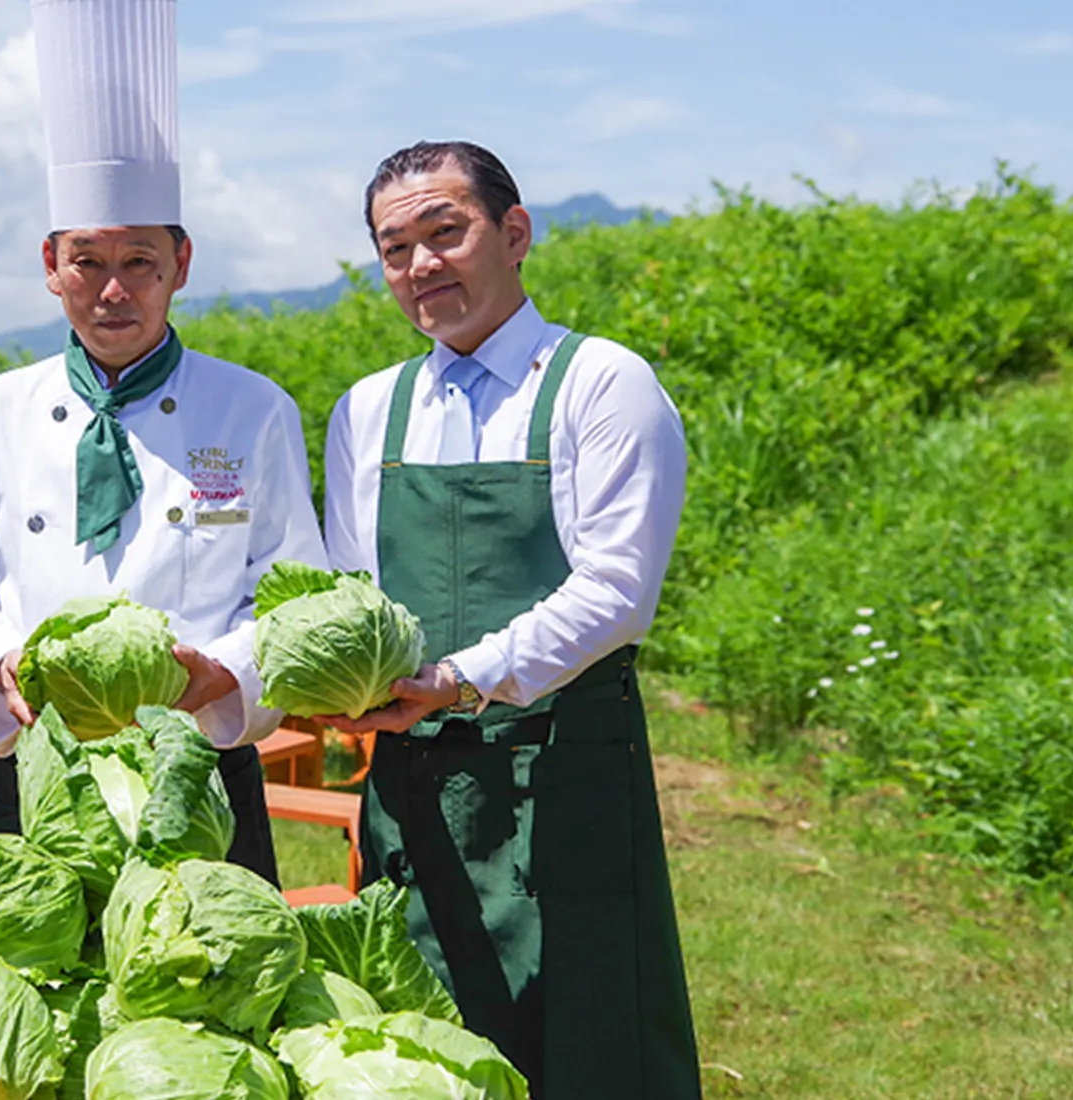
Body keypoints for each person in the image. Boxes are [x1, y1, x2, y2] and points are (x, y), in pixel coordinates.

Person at [304, 139, 701, 1096]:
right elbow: (352, 596)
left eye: (446, 233)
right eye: (395, 249)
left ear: (513, 233)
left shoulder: (601, 384)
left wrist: (461, 678)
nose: (420, 267)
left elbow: (615, 591)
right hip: (411, 779)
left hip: (562, 769)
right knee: (423, 1041)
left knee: (588, 1033)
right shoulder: (369, 411)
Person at [0, 0, 327, 883]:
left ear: (181, 263)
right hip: (35, 764)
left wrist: (222, 674)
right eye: (87, 261)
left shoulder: (253, 409)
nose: (112, 290)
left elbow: (295, 587)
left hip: (200, 767)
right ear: (50, 264)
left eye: (138, 261)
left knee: (203, 994)